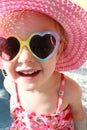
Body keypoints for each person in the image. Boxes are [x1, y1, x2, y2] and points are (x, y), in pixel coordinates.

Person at [0, 0, 87, 130]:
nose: (25, 59)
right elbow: (14, 105)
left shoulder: (69, 90)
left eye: (42, 44)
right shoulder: (11, 84)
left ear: (59, 50)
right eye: (10, 47)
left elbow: (79, 118)